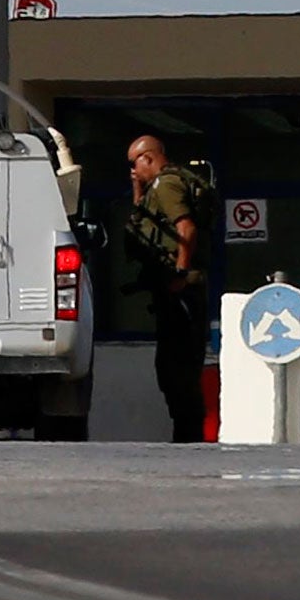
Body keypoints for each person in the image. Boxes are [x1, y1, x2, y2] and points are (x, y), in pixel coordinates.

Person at [125, 136, 212, 443]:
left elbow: (186, 227)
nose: (133, 171)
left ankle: (189, 437)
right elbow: (144, 224)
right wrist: (138, 189)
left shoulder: (167, 185)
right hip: (174, 292)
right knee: (172, 367)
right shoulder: (158, 187)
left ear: (148, 158)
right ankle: (186, 433)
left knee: (178, 369)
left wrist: (180, 272)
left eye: (135, 164)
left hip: (181, 292)